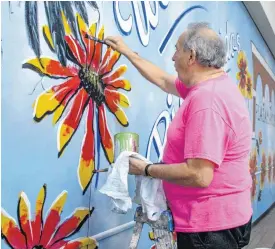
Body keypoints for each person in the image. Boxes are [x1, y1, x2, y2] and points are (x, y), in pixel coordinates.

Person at [105, 22, 252, 249]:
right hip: (221, 222)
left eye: (177, 50)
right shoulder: (212, 84)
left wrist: (145, 169)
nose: (173, 57)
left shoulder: (207, 101)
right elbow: (163, 80)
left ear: (191, 56)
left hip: (209, 230)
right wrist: (126, 51)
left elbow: (199, 175)